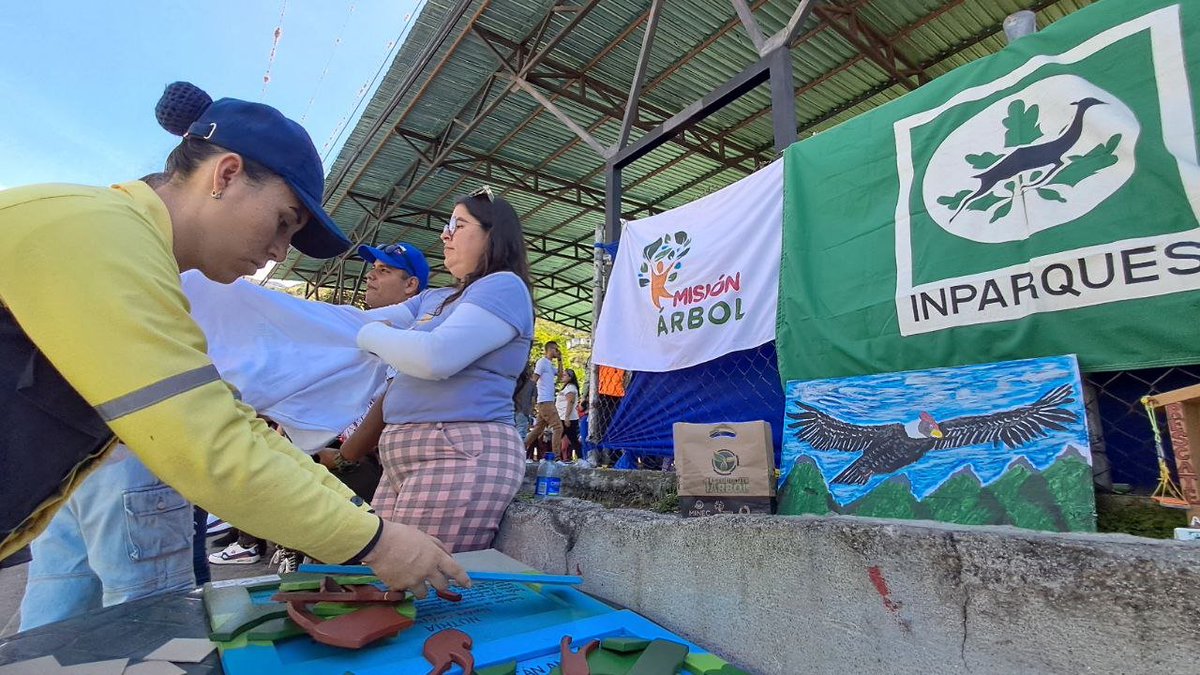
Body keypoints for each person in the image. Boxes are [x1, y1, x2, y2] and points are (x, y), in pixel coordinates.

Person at [0, 81, 467, 603]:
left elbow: (229, 417)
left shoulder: (126, 245)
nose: (278, 252)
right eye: (283, 223)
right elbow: (208, 442)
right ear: (226, 174)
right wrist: (377, 543)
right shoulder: (104, 240)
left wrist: (364, 519)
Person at [356, 186, 533, 552]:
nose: (444, 234)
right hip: (413, 455)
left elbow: (435, 357)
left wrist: (369, 333)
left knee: (418, 580)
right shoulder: (437, 297)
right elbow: (353, 324)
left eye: (458, 224)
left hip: (457, 450)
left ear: (493, 235)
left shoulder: (503, 286)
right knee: (386, 574)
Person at [525, 342, 565, 459]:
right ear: (551, 349)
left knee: (538, 429)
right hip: (545, 401)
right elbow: (535, 378)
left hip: (546, 401)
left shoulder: (550, 365)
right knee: (558, 427)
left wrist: (560, 360)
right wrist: (530, 396)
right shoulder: (542, 362)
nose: (557, 351)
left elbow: (560, 377)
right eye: (556, 349)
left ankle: (521, 447)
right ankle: (556, 456)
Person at [556, 369, 581, 460]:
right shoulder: (567, 387)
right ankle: (580, 457)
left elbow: (570, 402)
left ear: (570, 377)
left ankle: (556, 457)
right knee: (572, 438)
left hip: (566, 418)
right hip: (563, 416)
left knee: (559, 438)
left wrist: (567, 417)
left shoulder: (570, 388)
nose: (562, 376)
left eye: (565, 375)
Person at [513, 364, 536, 443]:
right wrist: (531, 412)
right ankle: (519, 453)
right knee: (521, 433)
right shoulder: (532, 384)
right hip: (523, 411)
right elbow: (533, 400)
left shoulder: (515, 382)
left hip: (512, 410)